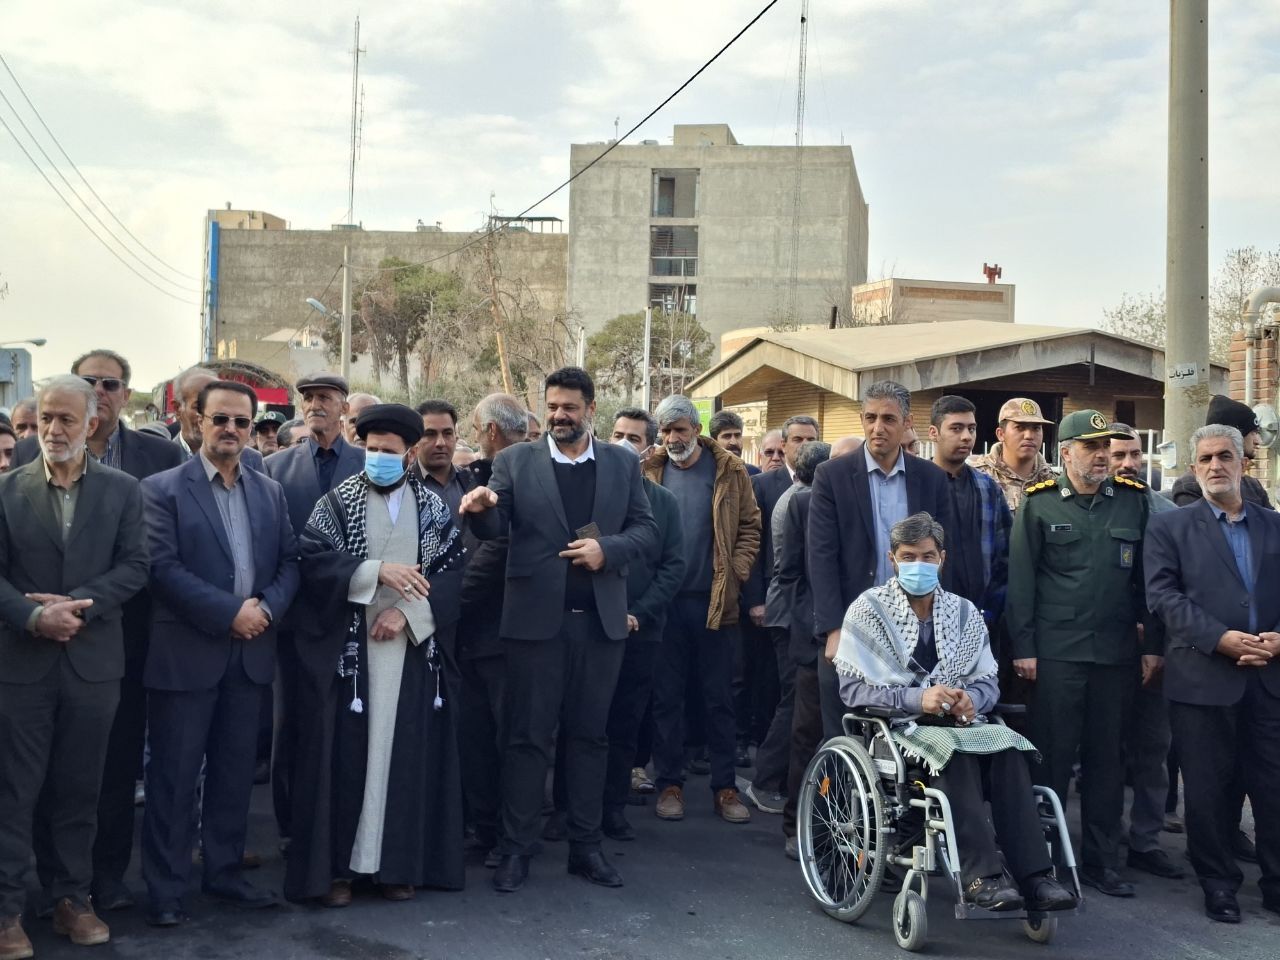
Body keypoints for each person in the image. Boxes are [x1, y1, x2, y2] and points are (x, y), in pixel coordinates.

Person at [461, 367, 657, 893]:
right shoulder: (515, 461)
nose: (558, 416)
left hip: (599, 626)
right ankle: (516, 848)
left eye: (569, 407)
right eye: (551, 407)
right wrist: (480, 510)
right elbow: (495, 525)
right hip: (533, 627)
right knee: (526, 739)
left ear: (591, 409)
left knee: (590, 738)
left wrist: (606, 549)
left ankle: (586, 848)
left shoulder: (620, 463)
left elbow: (646, 529)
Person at [6, 350, 184, 914]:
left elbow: (139, 563)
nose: (54, 429)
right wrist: (35, 617)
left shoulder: (131, 481)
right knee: (19, 788)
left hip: (103, 655)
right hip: (25, 657)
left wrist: (81, 606)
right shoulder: (11, 483)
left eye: (66, 419)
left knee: (90, 783)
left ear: (96, 418)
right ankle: (17, 905)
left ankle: (80, 892)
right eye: (47, 417)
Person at [834, 512, 1077, 913]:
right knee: (954, 754)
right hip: (899, 728)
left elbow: (987, 681)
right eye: (908, 556)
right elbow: (853, 689)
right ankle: (983, 876)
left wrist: (972, 700)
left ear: (942, 558)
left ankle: (1036, 876)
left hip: (962, 722)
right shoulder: (868, 611)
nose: (919, 565)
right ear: (892, 560)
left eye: (927, 556)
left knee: (1007, 749)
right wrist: (918, 699)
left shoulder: (963, 613)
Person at [285, 404, 468, 907]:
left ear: (409, 454)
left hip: (410, 654)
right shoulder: (337, 502)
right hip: (350, 657)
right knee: (343, 761)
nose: (378, 458)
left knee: (406, 759)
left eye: (388, 451)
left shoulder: (433, 509)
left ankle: (397, 867)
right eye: (371, 449)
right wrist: (374, 571)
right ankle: (339, 873)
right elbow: (312, 562)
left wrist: (408, 615)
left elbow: (454, 575)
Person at [139, 380, 299, 927]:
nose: (231, 429)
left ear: (252, 428)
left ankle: (225, 874)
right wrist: (230, 612)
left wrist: (266, 610)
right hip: (187, 654)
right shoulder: (161, 490)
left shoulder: (270, 491)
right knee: (174, 777)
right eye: (220, 419)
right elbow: (162, 569)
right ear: (197, 420)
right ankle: (166, 889)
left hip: (250, 654)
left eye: (241, 421)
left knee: (233, 775)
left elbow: (291, 562)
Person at [1006, 409, 1153, 898]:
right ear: (1065, 453)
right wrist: (1025, 648)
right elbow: (1022, 581)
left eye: (1105, 447)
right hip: (1057, 653)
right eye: (1091, 447)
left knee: (1107, 760)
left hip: (1115, 654)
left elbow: (1146, 581)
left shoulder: (1132, 501)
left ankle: (1101, 861)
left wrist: (1152, 647)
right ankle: (1044, 857)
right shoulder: (1040, 503)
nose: (1102, 456)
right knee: (1051, 758)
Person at [1145, 424, 1280, 924]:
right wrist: (1220, 638)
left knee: (1273, 787)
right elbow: (1163, 597)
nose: (1215, 466)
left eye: (1225, 456)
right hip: (1202, 678)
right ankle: (1219, 884)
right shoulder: (1169, 527)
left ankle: (1276, 884)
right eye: (1205, 459)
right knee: (1207, 790)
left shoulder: (1275, 525)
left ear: (1244, 463)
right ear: (1193, 468)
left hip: (1269, 678)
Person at [642, 395, 760, 826]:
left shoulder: (729, 469)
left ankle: (725, 788)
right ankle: (669, 784)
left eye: (680, 429)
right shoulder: (648, 470)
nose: (673, 438)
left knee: (719, 700)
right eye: (665, 430)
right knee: (666, 698)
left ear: (696, 429)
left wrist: (737, 572)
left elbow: (750, 526)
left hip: (715, 603)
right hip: (663, 604)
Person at [265, 373, 365, 848]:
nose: (314, 405)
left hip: (354, 614)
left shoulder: (368, 464)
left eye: (324, 397)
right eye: (307, 398)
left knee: (347, 725)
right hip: (294, 618)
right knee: (291, 726)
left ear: (344, 407)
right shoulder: (274, 468)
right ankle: (293, 828)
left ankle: (345, 826)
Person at [809, 380, 954, 666]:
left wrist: (942, 621)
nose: (878, 428)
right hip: (853, 622)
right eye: (871, 418)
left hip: (918, 620)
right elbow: (821, 556)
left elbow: (944, 552)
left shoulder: (932, 478)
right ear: (861, 419)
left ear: (907, 422)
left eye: (888, 419)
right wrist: (833, 628)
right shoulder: (831, 476)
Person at [602, 417, 685, 842]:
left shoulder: (664, 502)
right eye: (617, 435)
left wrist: (638, 613)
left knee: (625, 723)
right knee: (583, 723)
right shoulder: (592, 494)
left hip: (642, 631)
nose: (623, 444)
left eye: (633, 438)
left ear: (649, 450)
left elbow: (673, 567)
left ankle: (613, 809)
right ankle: (569, 807)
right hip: (592, 628)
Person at [1108, 423, 1183, 881]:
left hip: (1157, 650)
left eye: (1135, 455)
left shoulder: (1167, 513)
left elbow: (1176, 585)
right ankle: (1104, 835)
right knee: (1104, 750)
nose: (1128, 464)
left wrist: (1156, 639)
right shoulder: (1088, 509)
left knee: (1153, 748)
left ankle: (1147, 840)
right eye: (1118, 455)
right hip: (1104, 650)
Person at [457, 393, 528, 863]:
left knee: (508, 741)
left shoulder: (521, 470)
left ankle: (509, 835)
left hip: (503, 634)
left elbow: (498, 546)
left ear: (491, 431)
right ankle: (486, 828)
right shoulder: (484, 472)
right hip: (476, 634)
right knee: (478, 738)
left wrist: (448, 601)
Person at [745, 415, 819, 813]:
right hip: (789, 613)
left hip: (789, 611)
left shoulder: (797, 494)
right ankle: (765, 779)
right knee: (793, 701)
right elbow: (780, 562)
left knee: (792, 699)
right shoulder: (799, 500)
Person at [775, 439, 832, 859]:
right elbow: (790, 573)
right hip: (815, 642)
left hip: (871, 645)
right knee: (806, 734)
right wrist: (813, 624)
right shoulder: (802, 504)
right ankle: (797, 824)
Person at [927, 395, 1012, 626]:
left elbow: (1005, 557)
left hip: (981, 618)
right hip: (927, 618)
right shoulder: (917, 485)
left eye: (971, 429)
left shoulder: (987, 488)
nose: (966, 436)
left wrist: (991, 611)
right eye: (956, 428)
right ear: (934, 433)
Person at [1170, 395, 1273, 509]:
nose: (1258, 441)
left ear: (1243, 465)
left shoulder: (1253, 486)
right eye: (1253, 432)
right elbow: (1197, 520)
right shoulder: (1190, 486)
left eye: (1225, 457)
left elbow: (1271, 519)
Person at [170, 366, 266, 472]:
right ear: (177, 409)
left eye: (217, 410)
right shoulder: (161, 457)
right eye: (198, 407)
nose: (207, 416)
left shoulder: (251, 459)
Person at [971, 397, 1056, 513]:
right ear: (1001, 434)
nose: (1029, 436)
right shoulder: (976, 476)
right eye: (1020, 428)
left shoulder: (1053, 482)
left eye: (1036, 428)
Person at [413, 400, 472, 517]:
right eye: (430, 434)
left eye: (447, 433)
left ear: (456, 437)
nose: (441, 443)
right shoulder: (403, 487)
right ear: (415, 439)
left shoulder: (472, 481)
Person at [709, 409, 759, 475]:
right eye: (727, 436)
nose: (734, 442)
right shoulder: (703, 474)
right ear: (713, 442)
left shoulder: (753, 473)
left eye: (737, 435)